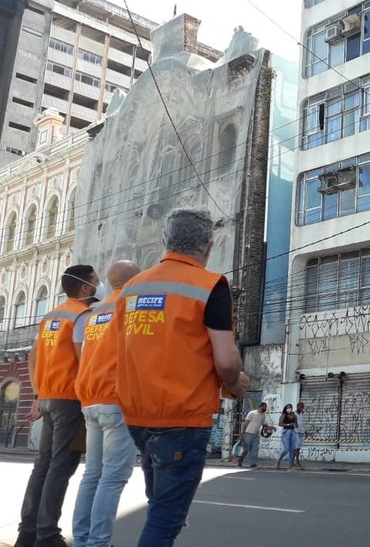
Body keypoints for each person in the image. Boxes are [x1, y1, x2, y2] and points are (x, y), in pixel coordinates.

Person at [114, 207, 249, 546]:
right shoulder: (210, 285)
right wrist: (235, 384)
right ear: (208, 247)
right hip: (182, 417)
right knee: (165, 518)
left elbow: (120, 349)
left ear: (164, 241)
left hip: (137, 416)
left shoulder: (130, 289)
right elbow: (227, 360)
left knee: (159, 507)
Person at [16, 265, 101, 547]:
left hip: (50, 397)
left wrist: (38, 394)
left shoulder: (51, 316)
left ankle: (27, 533)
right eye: (96, 280)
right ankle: (47, 534)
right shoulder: (82, 315)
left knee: (43, 464)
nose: (100, 284)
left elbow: (32, 356)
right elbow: (85, 359)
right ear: (86, 288)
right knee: (61, 466)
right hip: (70, 399)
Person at [71, 260, 141, 547]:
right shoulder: (132, 306)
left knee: (92, 474)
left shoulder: (95, 312)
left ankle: (82, 539)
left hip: (90, 399)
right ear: (134, 280)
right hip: (115, 399)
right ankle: (97, 543)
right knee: (112, 478)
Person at [238, 403, 267, 468]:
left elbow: (263, 424)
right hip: (248, 433)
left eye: (265, 407)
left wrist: (270, 428)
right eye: (263, 407)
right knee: (246, 449)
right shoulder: (252, 413)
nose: (264, 409)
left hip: (256, 434)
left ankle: (253, 463)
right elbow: (245, 424)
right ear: (260, 407)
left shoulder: (263, 415)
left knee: (254, 449)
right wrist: (242, 435)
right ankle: (240, 460)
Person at [275, 404, 300, 470]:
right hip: (286, 432)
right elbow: (280, 424)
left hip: (292, 432)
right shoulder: (284, 415)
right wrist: (288, 424)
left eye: (290, 407)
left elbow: (297, 425)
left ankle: (290, 466)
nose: (289, 409)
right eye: (287, 408)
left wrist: (295, 424)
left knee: (292, 450)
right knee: (286, 449)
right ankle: (278, 461)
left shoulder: (294, 415)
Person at [294, 401, 306, 468]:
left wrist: (305, 431)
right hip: (296, 432)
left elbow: (302, 423)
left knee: (298, 447)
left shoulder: (302, 414)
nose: (301, 409)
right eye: (300, 407)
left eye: (302, 407)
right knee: (297, 447)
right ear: (297, 407)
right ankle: (297, 461)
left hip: (301, 432)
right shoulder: (294, 414)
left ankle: (295, 461)